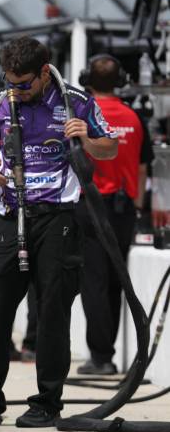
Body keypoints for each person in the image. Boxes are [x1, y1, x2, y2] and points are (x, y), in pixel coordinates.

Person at [0, 36, 118, 428]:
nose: (17, 91)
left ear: (43, 72)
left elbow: (111, 148)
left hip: (58, 220)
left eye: (24, 83)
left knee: (53, 311)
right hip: (9, 216)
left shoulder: (76, 100)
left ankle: (47, 402)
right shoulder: (2, 101)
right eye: (10, 82)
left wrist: (85, 139)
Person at [76, 54, 154, 375]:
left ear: (86, 80)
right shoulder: (134, 118)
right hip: (125, 209)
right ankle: (105, 354)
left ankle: (100, 357)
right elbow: (142, 167)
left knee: (92, 280)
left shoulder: (82, 114)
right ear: (120, 80)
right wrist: (137, 206)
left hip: (91, 204)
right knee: (115, 281)